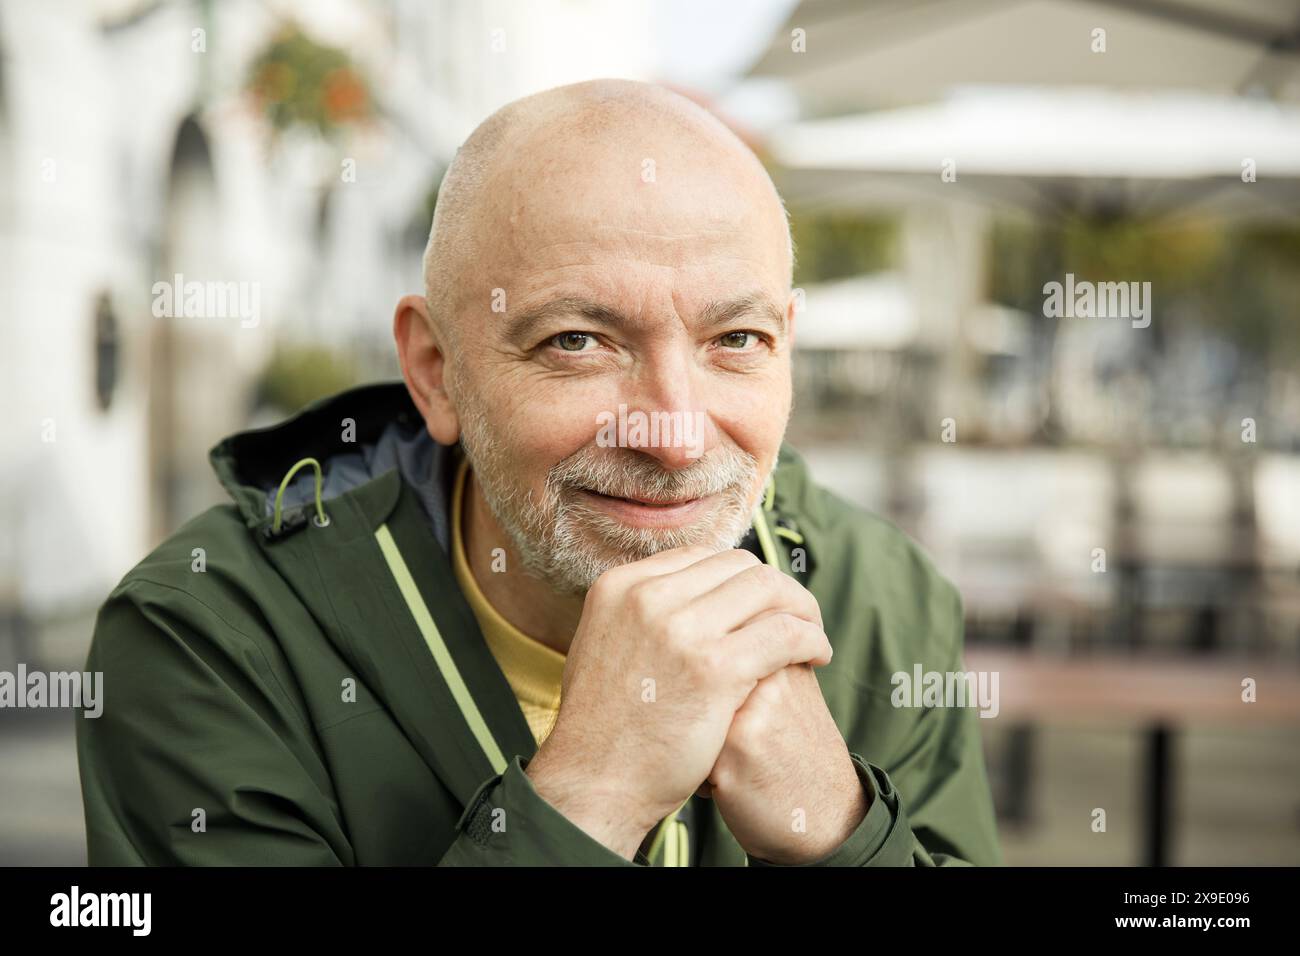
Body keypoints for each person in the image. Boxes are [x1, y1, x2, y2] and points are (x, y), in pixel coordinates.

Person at [76, 79, 1000, 866]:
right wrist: (591, 794)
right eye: (577, 341)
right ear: (436, 371)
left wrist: (840, 830)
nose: (674, 434)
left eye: (737, 340)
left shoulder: (884, 601)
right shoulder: (211, 639)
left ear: (788, 346)